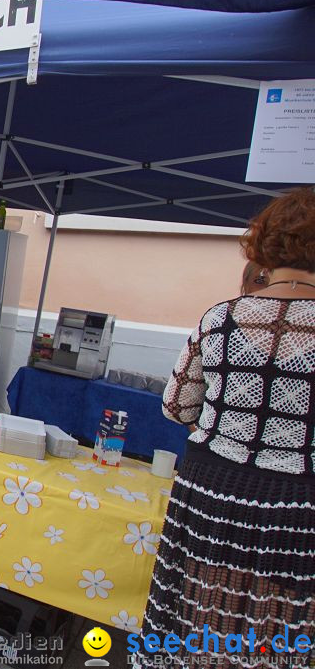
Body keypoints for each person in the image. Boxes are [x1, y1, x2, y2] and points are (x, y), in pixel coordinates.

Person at [135, 188, 315, 666]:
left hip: (213, 492)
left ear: (264, 247)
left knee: (198, 612)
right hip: (299, 505)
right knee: (282, 627)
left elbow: (175, 406)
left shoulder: (221, 319)